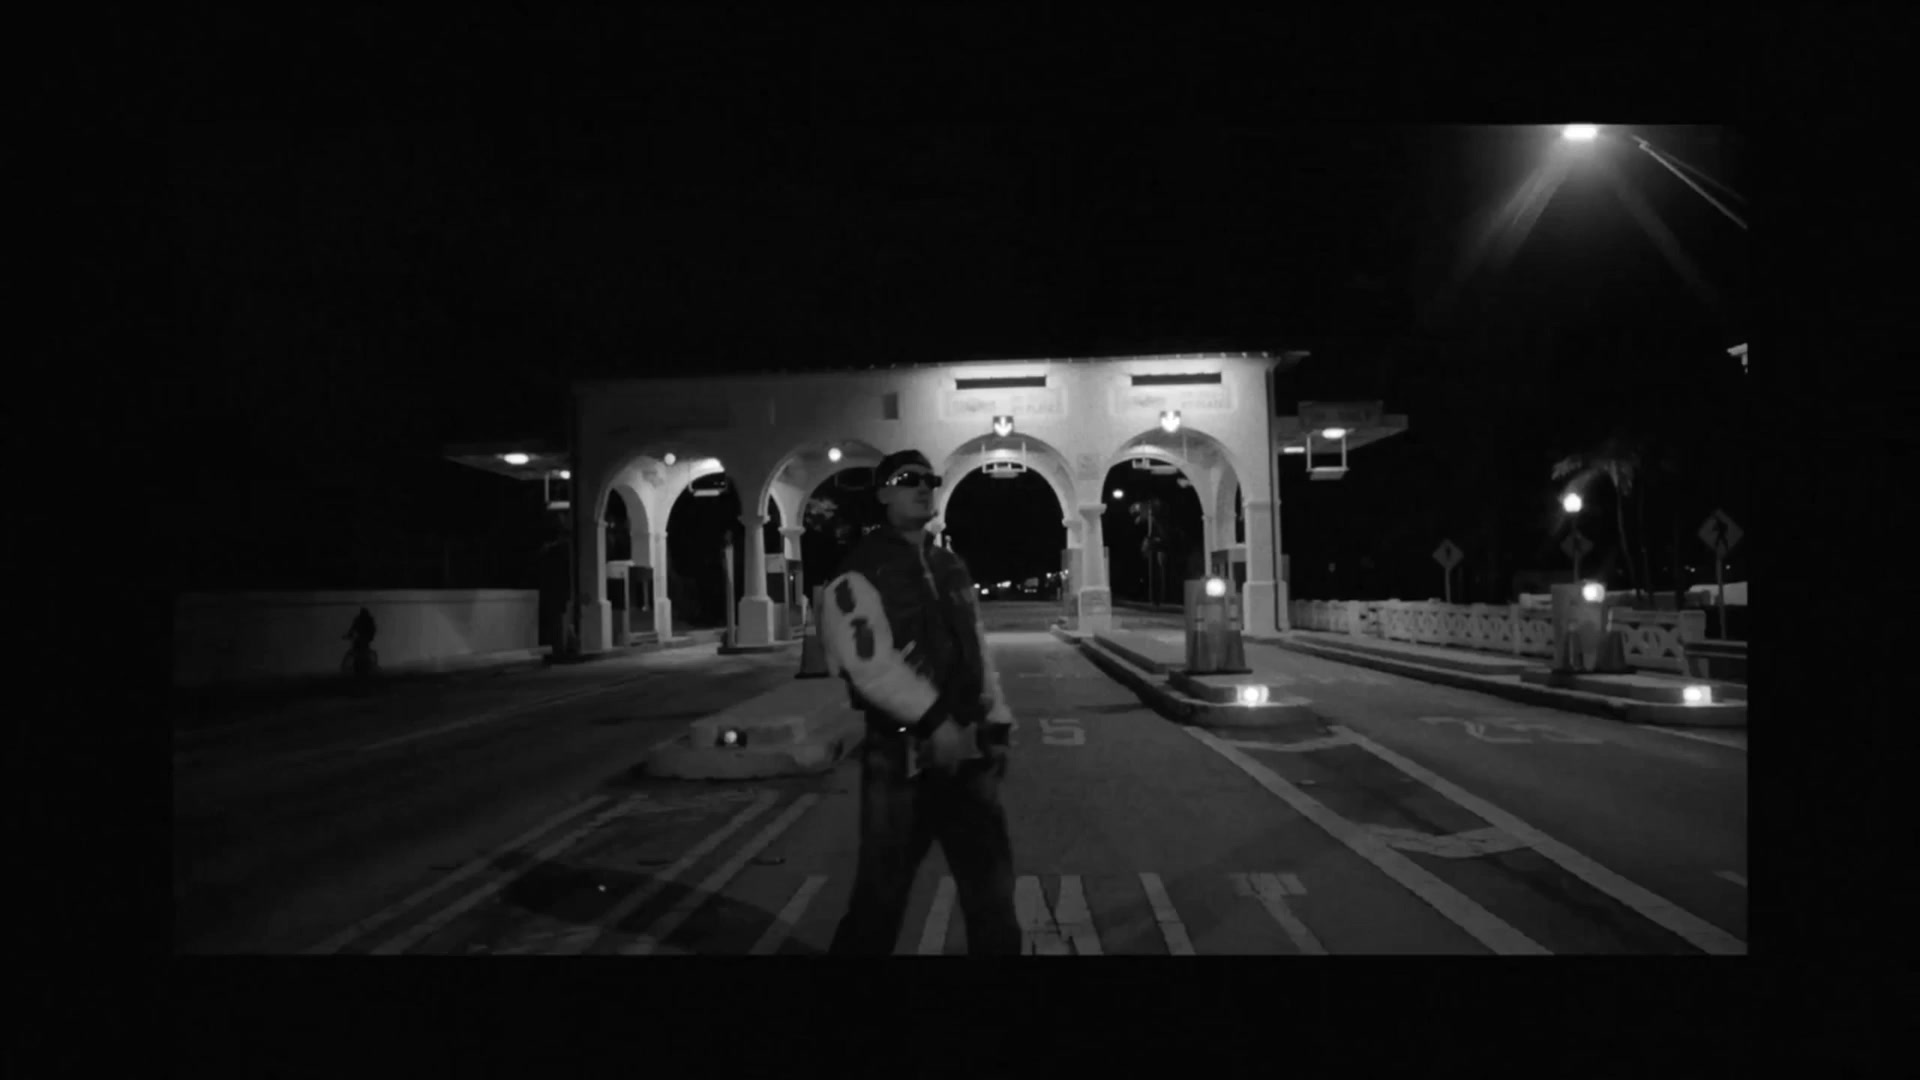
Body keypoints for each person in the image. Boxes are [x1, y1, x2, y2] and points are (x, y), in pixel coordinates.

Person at [819, 449, 1022, 955]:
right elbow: (869, 663)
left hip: (968, 755)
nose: (923, 487)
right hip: (901, 758)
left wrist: (997, 717)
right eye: (908, 479)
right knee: (879, 899)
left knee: (993, 896)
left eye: (929, 479)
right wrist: (934, 722)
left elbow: (975, 648)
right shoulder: (860, 571)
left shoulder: (949, 564)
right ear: (883, 493)